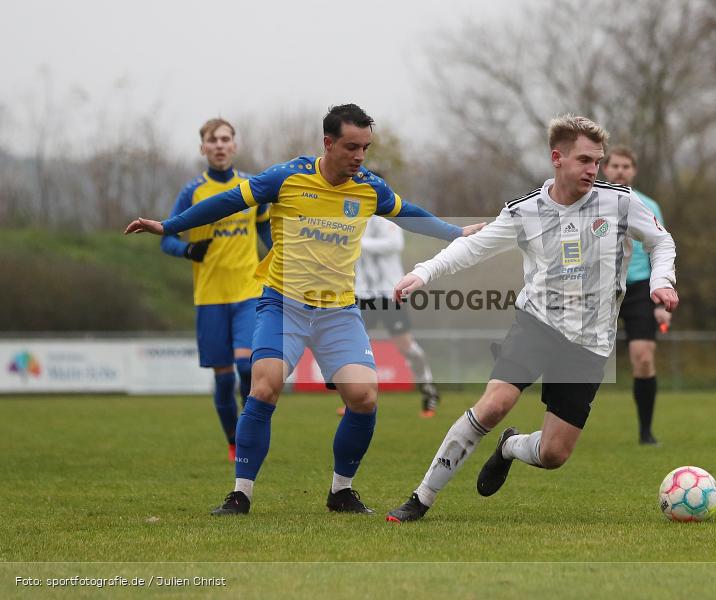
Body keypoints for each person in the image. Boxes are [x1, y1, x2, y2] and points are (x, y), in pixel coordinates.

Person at [125, 104, 484, 516]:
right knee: (263, 387)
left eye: (366, 147)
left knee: (365, 397)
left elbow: (410, 215)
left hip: (338, 311)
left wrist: (456, 232)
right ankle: (240, 494)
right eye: (351, 147)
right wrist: (169, 227)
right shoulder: (287, 177)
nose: (360, 157)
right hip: (284, 305)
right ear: (328, 143)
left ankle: (341, 492)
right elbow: (227, 202)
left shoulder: (369, 187)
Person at [385, 115, 678, 522]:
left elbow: (661, 241)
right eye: (584, 160)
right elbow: (473, 249)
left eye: (597, 161)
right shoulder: (525, 211)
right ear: (557, 158)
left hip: (591, 342)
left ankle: (509, 446)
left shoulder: (620, 202)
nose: (593, 169)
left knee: (554, 454)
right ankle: (420, 498)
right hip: (537, 323)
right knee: (494, 404)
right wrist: (423, 272)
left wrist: (661, 280)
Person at [160, 118, 272, 463]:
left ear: (235, 146)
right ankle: (233, 440)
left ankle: (249, 431)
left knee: (245, 367)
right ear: (203, 148)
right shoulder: (192, 191)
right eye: (213, 140)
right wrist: (187, 250)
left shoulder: (252, 188)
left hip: (247, 292)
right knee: (223, 380)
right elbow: (167, 239)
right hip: (209, 298)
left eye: (226, 139)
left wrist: (281, 262)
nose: (220, 145)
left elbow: (267, 237)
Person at [601, 146, 668, 445]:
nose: (620, 171)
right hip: (602, 285)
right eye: (614, 165)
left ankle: (645, 431)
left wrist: (662, 298)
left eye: (626, 166)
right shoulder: (592, 202)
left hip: (640, 288)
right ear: (605, 169)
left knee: (642, 358)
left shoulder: (649, 205)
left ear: (634, 170)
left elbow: (661, 248)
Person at [355, 215, 440, 417]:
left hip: (390, 292)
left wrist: (359, 241)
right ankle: (355, 399)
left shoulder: (387, 216)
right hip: (364, 293)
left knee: (406, 346)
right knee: (356, 345)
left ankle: (429, 390)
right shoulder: (354, 214)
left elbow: (395, 244)